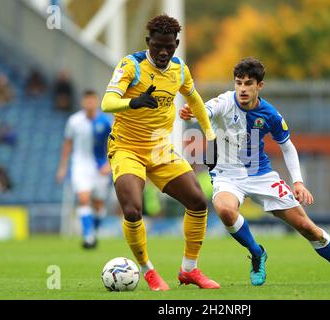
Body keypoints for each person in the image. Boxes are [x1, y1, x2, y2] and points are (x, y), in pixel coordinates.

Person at [180, 57, 330, 287]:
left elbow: (287, 145)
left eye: (248, 83)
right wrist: (191, 112)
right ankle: (257, 253)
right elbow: (206, 111)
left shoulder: (270, 114)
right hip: (227, 175)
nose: (242, 89)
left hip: (261, 175)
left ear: (259, 86)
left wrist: (298, 182)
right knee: (225, 210)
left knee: (307, 227)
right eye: (239, 83)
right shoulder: (224, 101)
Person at [101, 14, 219, 291]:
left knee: (198, 201)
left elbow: (196, 101)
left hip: (159, 148)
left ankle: (189, 270)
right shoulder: (131, 66)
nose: (163, 52)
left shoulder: (179, 70)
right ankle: (148, 271)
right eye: (157, 46)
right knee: (132, 209)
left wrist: (211, 137)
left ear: (176, 43)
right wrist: (133, 102)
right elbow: (108, 102)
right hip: (126, 148)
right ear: (148, 42)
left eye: (169, 46)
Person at [57, 90, 112, 249]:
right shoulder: (74, 121)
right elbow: (67, 144)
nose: (89, 104)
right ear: (83, 102)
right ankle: (88, 236)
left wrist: (109, 164)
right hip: (80, 165)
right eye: (87, 101)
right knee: (83, 199)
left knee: (99, 205)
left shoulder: (106, 120)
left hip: (100, 167)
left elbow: (115, 142)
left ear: (97, 102)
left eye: (92, 101)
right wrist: (62, 167)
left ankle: (93, 231)